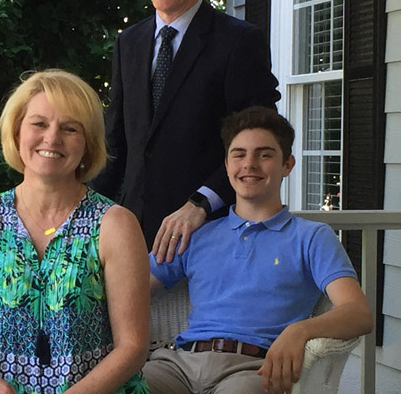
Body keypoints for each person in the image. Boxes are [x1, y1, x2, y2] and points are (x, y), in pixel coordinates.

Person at [0, 70, 150, 394]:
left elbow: (133, 346)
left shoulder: (115, 225)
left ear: (87, 144)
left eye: (70, 128)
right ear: (16, 132)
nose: (52, 138)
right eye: (39, 124)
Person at [143, 106, 372, 394]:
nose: (249, 164)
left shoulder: (311, 237)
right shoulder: (197, 235)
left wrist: (299, 330)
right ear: (226, 166)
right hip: (177, 365)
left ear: (287, 165)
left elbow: (358, 313)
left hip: (251, 370)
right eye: (239, 154)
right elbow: (131, 291)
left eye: (264, 154)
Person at [90, 0, 281, 257]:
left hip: (210, 233)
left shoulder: (238, 42)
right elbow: (115, 144)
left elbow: (261, 138)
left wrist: (200, 203)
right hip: (133, 235)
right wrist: (79, 210)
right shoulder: (128, 43)